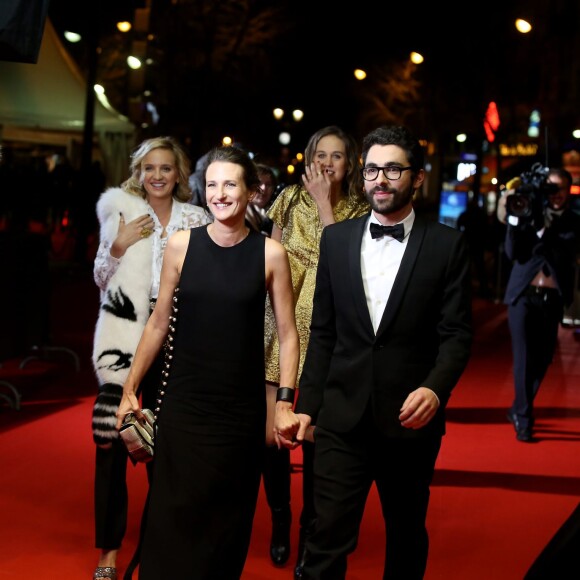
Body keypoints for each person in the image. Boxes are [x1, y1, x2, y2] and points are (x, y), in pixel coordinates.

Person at [285, 124, 473, 579]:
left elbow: (457, 334)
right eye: (372, 170)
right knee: (324, 536)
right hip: (340, 419)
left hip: (410, 420)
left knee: (406, 535)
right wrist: (305, 406)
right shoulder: (337, 240)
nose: (381, 180)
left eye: (393, 169)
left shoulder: (447, 245)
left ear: (417, 177)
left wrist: (434, 388)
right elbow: (324, 333)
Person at [115, 145, 300, 579]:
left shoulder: (271, 254)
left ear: (251, 191)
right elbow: (159, 323)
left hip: (239, 414)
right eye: (212, 185)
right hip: (182, 407)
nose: (219, 194)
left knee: (224, 528)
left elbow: (289, 335)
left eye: (230, 184)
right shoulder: (181, 246)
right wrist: (128, 389)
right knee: (169, 519)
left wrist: (286, 401)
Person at [90, 136, 211, 580]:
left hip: (175, 343)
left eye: (165, 168)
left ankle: (161, 543)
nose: (157, 176)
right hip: (123, 342)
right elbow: (101, 279)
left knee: (167, 449)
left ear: (179, 173)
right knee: (111, 448)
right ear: (138, 172)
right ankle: (108, 549)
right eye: (149, 168)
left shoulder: (196, 217)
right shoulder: (122, 211)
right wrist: (118, 244)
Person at [263, 125, 370, 576]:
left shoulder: (362, 209)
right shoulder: (287, 198)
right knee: (272, 439)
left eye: (338, 156)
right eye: (320, 155)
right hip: (279, 323)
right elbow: (266, 256)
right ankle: (280, 519)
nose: (328, 163)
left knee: (315, 443)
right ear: (308, 159)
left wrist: (327, 205)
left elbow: (346, 265)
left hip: (328, 332)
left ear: (351, 164)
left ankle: (311, 532)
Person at [498, 166, 580, 442]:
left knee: (543, 360)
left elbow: (565, 250)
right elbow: (512, 253)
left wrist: (543, 229)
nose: (555, 194)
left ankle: (518, 407)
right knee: (523, 359)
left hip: (552, 300)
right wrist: (515, 220)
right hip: (523, 297)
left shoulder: (573, 220)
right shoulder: (528, 215)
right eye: (550, 188)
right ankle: (524, 418)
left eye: (561, 188)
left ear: (569, 191)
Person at [245, 162, 277, 236]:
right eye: (258, 183)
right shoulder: (241, 215)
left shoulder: (270, 214)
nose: (263, 188)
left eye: (268, 184)